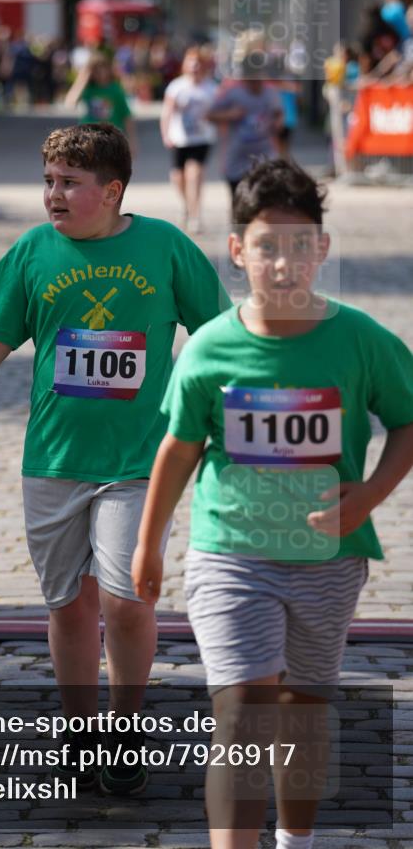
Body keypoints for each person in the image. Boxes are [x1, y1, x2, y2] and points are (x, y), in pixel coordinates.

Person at [0, 123, 230, 795]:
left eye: (70, 183)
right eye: (48, 181)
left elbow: (219, 335)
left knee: (126, 600)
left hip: (139, 460)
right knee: (70, 605)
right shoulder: (32, 252)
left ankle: (125, 730)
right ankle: (79, 732)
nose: (53, 195)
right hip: (52, 460)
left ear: (112, 191)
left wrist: (223, 418)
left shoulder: (165, 247)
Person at [132, 160, 413, 849]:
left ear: (322, 248)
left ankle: (295, 840)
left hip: (327, 561)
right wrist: (147, 544)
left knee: (302, 712)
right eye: (265, 246)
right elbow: (178, 450)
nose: (282, 264)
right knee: (242, 716)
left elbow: (408, 421)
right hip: (230, 557)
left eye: (298, 246)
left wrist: (370, 494)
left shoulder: (359, 340)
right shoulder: (208, 349)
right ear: (237, 250)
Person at [208, 56, 283, 203]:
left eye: (259, 79)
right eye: (252, 80)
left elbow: (279, 114)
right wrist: (230, 114)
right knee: (238, 201)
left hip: (264, 156)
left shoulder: (270, 93)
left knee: (263, 200)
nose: (256, 84)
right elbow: (210, 115)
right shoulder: (234, 93)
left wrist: (277, 123)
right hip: (237, 159)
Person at [160, 45, 218, 233]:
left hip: (202, 138)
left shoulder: (211, 88)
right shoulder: (176, 86)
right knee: (178, 177)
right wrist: (165, 134)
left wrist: (214, 118)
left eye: (198, 62)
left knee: (194, 174)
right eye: (191, 61)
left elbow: (219, 112)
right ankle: (186, 205)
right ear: (185, 64)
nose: (194, 66)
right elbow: (167, 112)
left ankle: (195, 215)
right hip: (180, 138)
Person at [65, 53, 137, 157]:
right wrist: (82, 79)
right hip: (89, 137)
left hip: (110, 138)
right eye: (95, 70)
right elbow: (70, 102)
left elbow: (126, 116)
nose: (100, 73)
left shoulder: (115, 89)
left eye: (102, 69)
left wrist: (132, 141)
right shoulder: (88, 89)